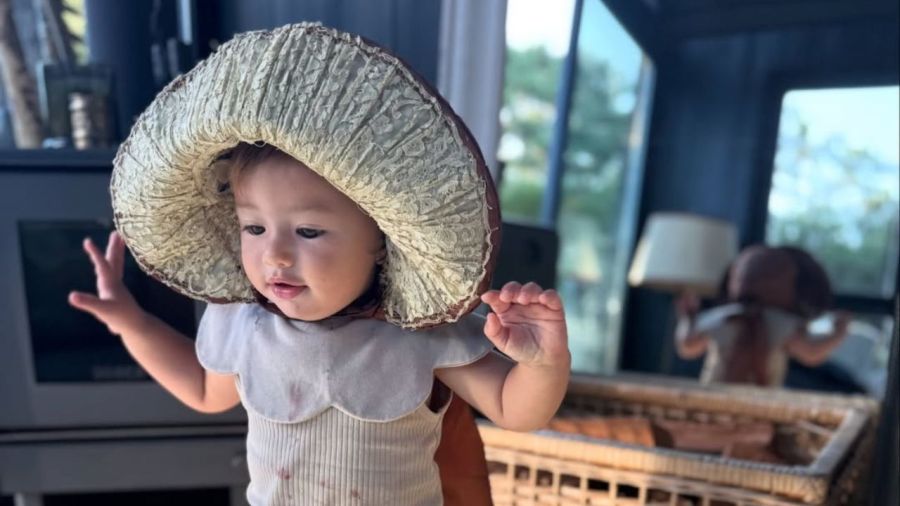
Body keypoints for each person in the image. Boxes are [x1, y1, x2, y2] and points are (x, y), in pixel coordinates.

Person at [68, 23, 570, 505]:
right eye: (254, 229)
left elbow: (514, 408)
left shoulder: (421, 335)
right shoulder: (245, 328)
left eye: (309, 231)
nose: (275, 254)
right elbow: (202, 389)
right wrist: (131, 323)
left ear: (381, 242)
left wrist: (543, 363)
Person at [674, 245, 849, 387]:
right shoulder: (723, 318)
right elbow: (811, 352)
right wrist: (838, 333)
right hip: (728, 401)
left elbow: (688, 345)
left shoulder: (723, 319)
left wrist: (688, 320)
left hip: (744, 402)